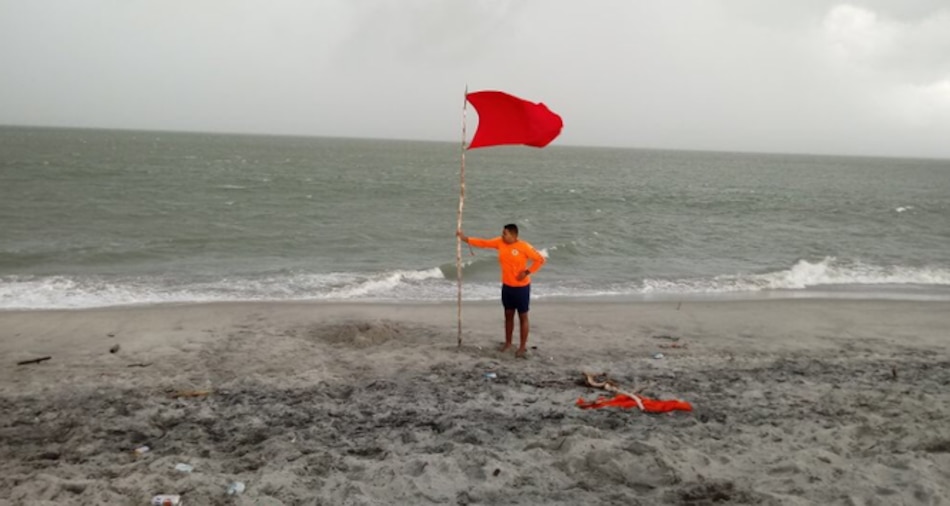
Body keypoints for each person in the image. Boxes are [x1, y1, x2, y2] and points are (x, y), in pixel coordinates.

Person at [457, 224, 545, 358]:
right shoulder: (500, 242)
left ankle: (522, 346)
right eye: (503, 233)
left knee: (523, 316)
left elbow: (540, 259)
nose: (502, 235)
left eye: (505, 234)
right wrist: (466, 239)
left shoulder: (524, 246)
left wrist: (527, 272)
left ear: (514, 235)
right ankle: (508, 343)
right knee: (508, 315)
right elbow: (484, 243)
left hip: (521, 287)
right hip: (507, 286)